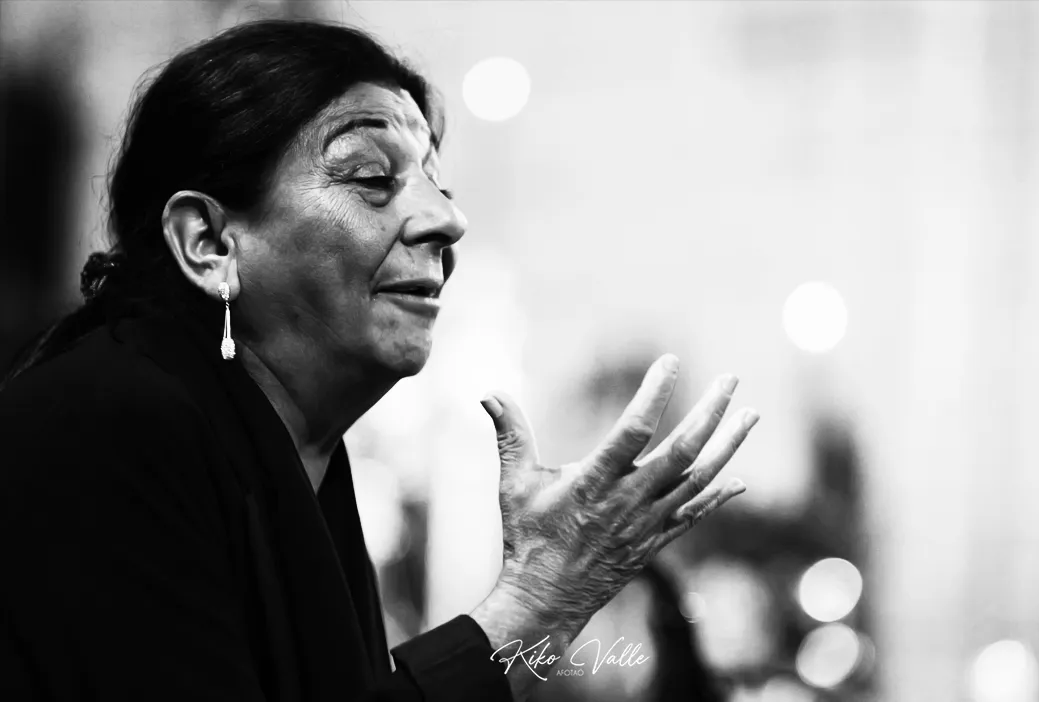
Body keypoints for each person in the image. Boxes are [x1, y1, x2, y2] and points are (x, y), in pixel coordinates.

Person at [0, 19, 759, 702]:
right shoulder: (107, 427)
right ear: (209, 243)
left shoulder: (293, 461)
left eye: (437, 184)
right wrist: (534, 603)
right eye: (372, 179)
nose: (448, 219)